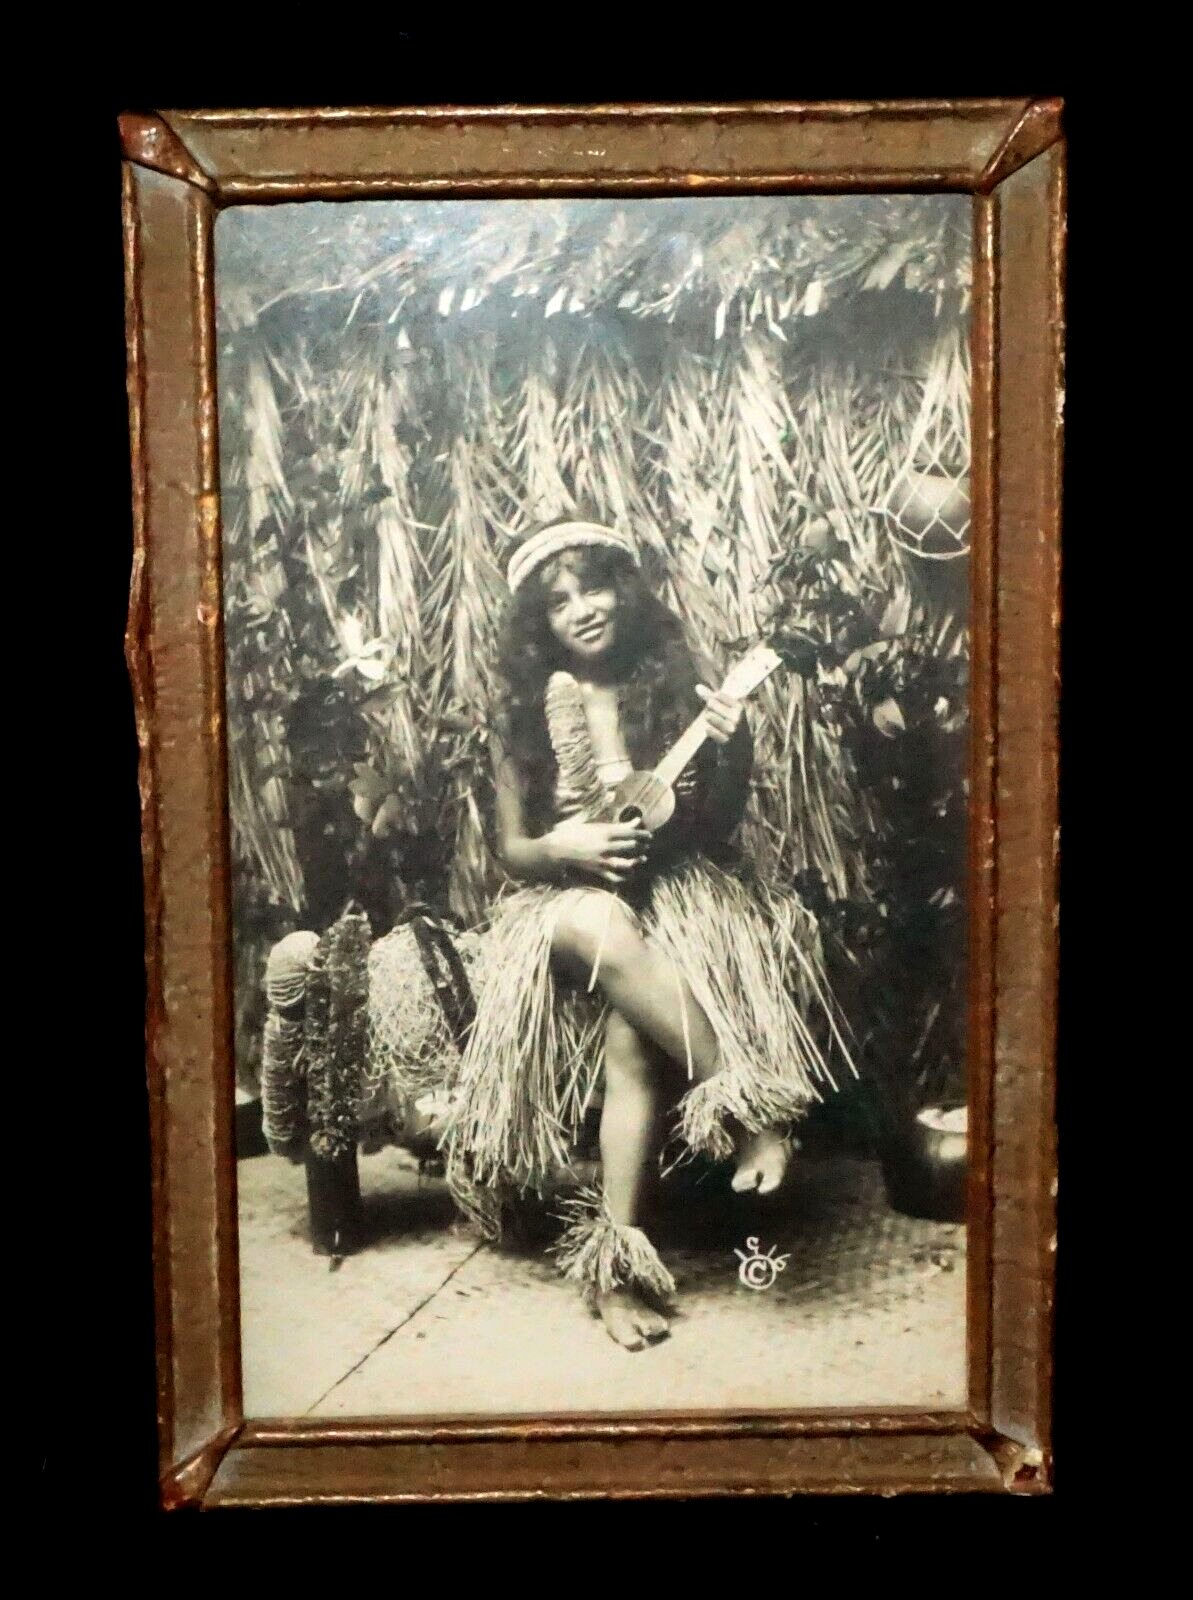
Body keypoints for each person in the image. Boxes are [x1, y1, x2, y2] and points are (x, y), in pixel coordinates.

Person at [440, 519, 849, 1351]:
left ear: (623, 593)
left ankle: (613, 1274)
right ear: (537, 624)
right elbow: (513, 850)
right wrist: (561, 847)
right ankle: (748, 1106)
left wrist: (731, 753)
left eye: (594, 588)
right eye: (558, 603)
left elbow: (714, 823)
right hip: (566, 903)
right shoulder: (519, 714)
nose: (582, 609)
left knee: (632, 1038)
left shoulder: (669, 686)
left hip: (673, 895)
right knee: (595, 920)